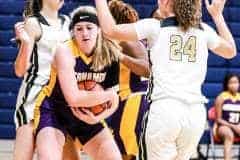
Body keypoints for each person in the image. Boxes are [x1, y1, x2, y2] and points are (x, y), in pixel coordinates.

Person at [94, 0, 237, 159]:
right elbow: (231, 51)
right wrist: (217, 16)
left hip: (165, 110)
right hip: (195, 114)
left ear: (166, 2)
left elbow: (109, 30)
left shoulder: (155, 26)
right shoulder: (204, 30)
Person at [34, 6, 121, 160]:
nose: (84, 33)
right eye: (79, 29)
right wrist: (108, 95)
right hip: (54, 111)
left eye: (89, 27)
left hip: (86, 115)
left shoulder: (110, 54)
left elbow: (115, 102)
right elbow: (73, 98)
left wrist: (97, 117)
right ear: (73, 32)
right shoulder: (64, 51)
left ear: (99, 29)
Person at [13, 0, 71, 159]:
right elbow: (19, 70)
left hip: (57, 99)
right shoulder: (33, 23)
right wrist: (24, 42)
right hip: (34, 98)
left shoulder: (68, 23)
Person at [107, 1, 150, 160]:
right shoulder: (116, 40)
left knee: (126, 154)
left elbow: (147, 68)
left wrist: (121, 56)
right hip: (125, 100)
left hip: (135, 98)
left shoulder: (126, 40)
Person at [214, 73, 240, 160]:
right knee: (229, 134)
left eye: (236, 82)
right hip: (223, 126)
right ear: (227, 84)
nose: (234, 85)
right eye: (231, 83)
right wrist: (233, 126)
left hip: (237, 125)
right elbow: (218, 119)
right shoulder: (221, 97)